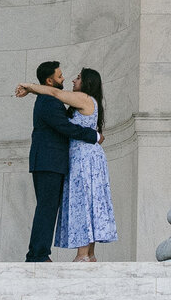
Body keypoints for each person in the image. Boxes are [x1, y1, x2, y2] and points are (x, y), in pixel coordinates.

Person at [15, 65, 116, 263]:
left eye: (77, 78)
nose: (69, 80)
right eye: (61, 76)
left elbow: (63, 118)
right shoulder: (49, 99)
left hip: (81, 158)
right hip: (56, 160)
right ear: (50, 80)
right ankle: (44, 255)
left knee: (82, 202)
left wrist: (30, 87)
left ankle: (81, 254)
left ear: (86, 82)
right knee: (64, 204)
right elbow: (63, 124)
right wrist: (93, 135)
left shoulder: (82, 99)